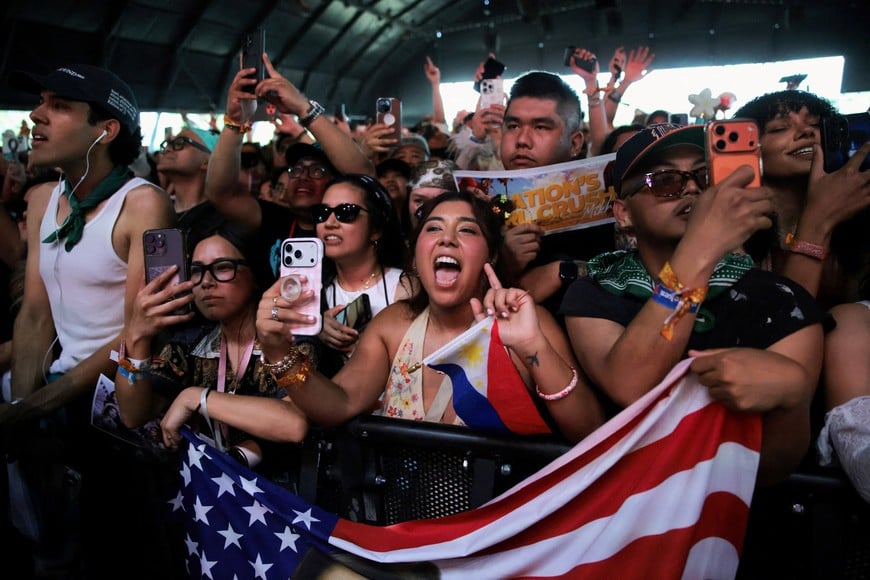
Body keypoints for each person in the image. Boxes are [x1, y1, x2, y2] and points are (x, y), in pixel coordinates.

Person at [561, 124, 825, 485]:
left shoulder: (780, 300)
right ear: (623, 213)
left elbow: (770, 470)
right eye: (665, 181)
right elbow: (632, 384)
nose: (691, 188)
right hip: (628, 497)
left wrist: (794, 398)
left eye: (703, 176)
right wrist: (700, 249)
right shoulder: (596, 292)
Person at [1, 64, 179, 577]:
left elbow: (142, 330)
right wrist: (24, 411)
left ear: (106, 129)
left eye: (58, 106)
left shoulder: (146, 205)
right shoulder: (43, 199)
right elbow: (36, 315)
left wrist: (36, 406)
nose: (36, 115)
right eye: (41, 102)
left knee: (112, 551)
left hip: (120, 404)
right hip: (56, 396)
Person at [256, 190, 604, 444]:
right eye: (434, 229)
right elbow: (337, 404)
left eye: (467, 230)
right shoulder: (393, 325)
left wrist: (531, 346)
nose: (447, 240)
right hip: (405, 520)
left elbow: (589, 433)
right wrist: (278, 352)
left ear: (492, 255)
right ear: (415, 254)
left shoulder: (528, 323)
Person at [114, 225, 308, 473]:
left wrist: (196, 398)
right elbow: (132, 414)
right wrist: (138, 337)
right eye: (197, 271)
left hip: (279, 490)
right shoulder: (189, 344)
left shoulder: (289, 339)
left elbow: (293, 424)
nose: (206, 282)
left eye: (223, 267)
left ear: (255, 274)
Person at [205, 52, 374, 288]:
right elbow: (220, 193)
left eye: (317, 171)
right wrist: (235, 121)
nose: (303, 176)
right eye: (296, 170)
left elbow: (364, 176)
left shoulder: (350, 225)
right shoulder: (274, 220)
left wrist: (302, 107)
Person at [733, 90, 870, 309]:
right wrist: (820, 218)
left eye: (815, 124)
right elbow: (780, 321)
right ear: (748, 150)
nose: (806, 131)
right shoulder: (733, 231)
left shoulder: (862, 213)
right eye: (779, 128)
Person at [316, 175, 416, 373]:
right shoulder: (311, 291)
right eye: (322, 213)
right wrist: (313, 331)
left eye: (346, 212)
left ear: (376, 229)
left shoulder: (405, 286)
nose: (330, 222)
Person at [155, 126, 225, 250]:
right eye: (168, 143)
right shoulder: (156, 210)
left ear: (207, 162)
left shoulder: (219, 221)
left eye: (180, 143)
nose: (167, 149)